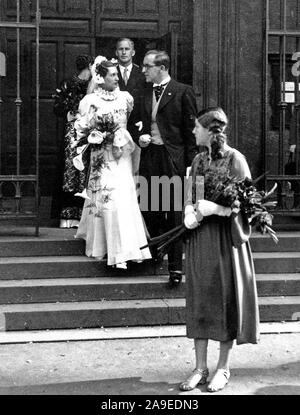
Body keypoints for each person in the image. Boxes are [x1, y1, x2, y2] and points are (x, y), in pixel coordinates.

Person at [180, 107, 260, 393]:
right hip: (201, 238)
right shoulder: (199, 159)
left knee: (225, 300)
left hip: (226, 241)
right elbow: (193, 194)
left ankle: (222, 368)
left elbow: (250, 206)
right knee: (200, 299)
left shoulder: (236, 160)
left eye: (196, 128)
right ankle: (200, 368)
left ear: (209, 130)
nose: (193, 132)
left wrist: (220, 209)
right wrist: (189, 211)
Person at [74, 57, 151, 269]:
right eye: (113, 75)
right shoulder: (90, 102)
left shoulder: (126, 98)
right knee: (107, 197)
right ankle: (105, 246)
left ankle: (128, 247)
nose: (117, 78)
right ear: (100, 78)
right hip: (102, 156)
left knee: (123, 197)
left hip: (122, 156)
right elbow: (81, 129)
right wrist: (97, 136)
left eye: (117, 74)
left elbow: (133, 126)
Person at [131, 50, 198, 287]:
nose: (144, 70)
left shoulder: (182, 92)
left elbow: (191, 133)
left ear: (162, 67)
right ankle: (155, 253)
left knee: (174, 213)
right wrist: (141, 137)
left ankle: (175, 268)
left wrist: (191, 165)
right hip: (151, 157)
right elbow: (135, 124)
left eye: (148, 66)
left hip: (173, 160)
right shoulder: (143, 93)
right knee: (150, 207)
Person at [52, 54, 94, 228]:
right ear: (89, 66)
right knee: (71, 170)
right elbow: (57, 105)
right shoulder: (68, 83)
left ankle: (84, 214)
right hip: (74, 130)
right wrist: (70, 114)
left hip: (90, 130)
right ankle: (68, 216)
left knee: (86, 169)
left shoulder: (95, 84)